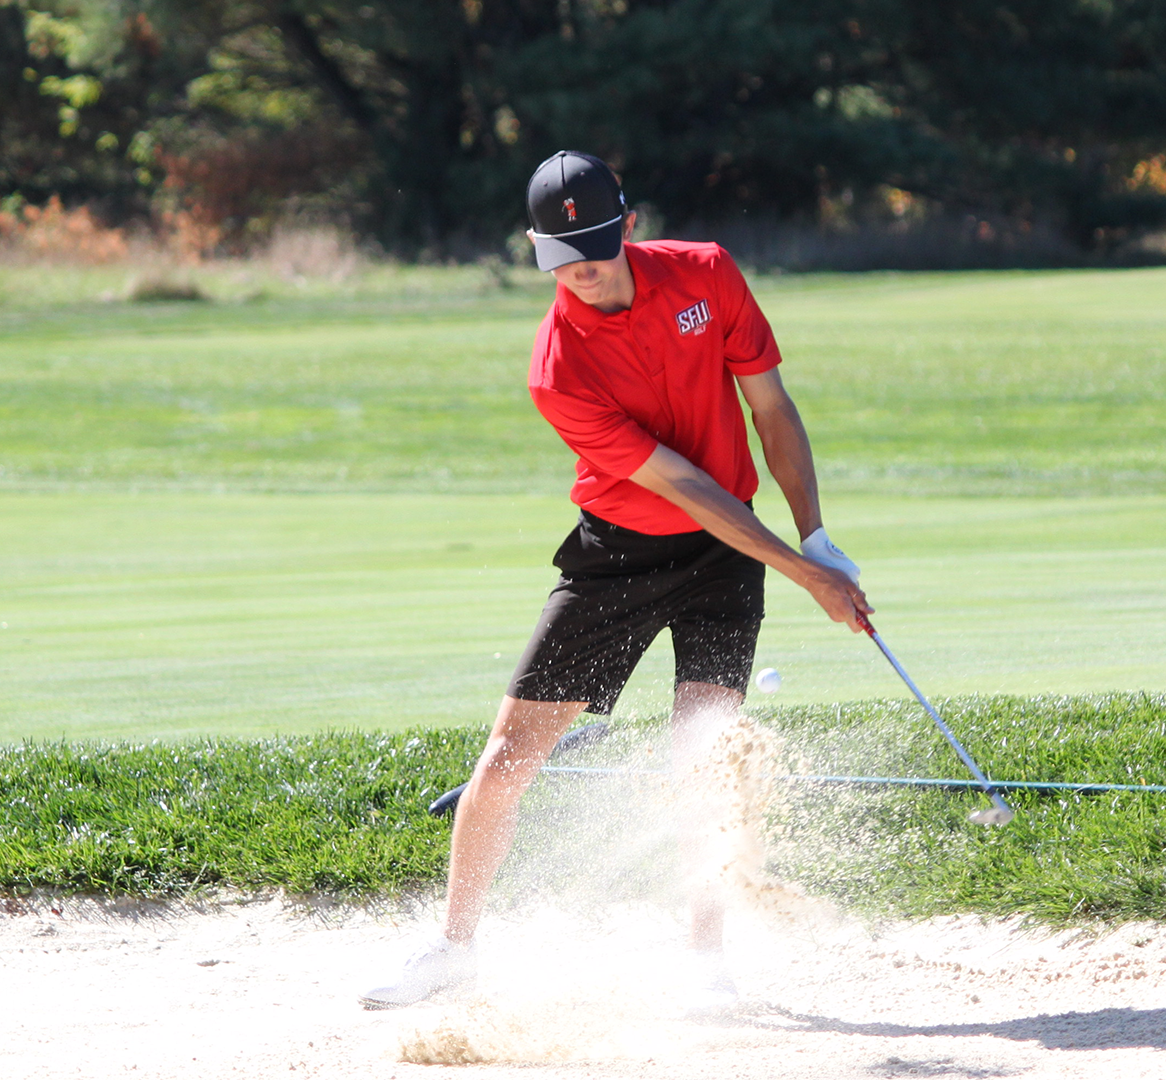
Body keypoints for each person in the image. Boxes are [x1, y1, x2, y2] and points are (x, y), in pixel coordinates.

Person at [360, 150, 870, 1011]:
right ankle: (454, 949)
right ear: (535, 248)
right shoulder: (557, 366)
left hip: (724, 557)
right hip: (617, 557)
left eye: (597, 246)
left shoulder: (707, 273)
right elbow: (686, 487)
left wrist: (815, 535)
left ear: (629, 225)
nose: (583, 270)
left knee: (705, 757)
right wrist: (803, 574)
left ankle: (705, 961)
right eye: (563, 257)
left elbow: (771, 408)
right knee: (509, 757)